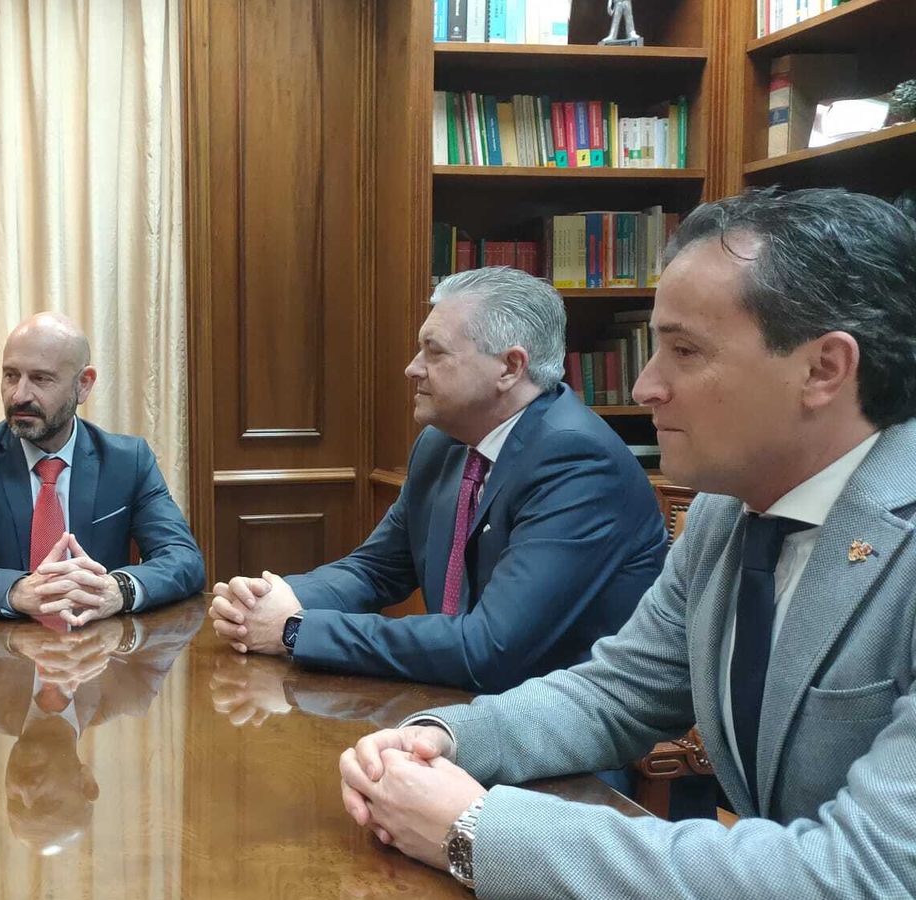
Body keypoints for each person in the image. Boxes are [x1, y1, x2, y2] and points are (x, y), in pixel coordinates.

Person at [337, 188, 916, 897]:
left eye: (684, 351)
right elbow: (617, 694)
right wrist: (440, 737)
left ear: (824, 369)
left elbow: (868, 873)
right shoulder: (723, 515)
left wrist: (474, 830)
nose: (645, 386)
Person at [208, 267, 666, 693]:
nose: (412, 367)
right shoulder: (443, 443)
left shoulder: (577, 462)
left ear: (509, 367)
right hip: (453, 704)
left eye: (435, 351)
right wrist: (276, 598)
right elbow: (377, 567)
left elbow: (490, 647)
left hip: (554, 738)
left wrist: (295, 630)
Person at [0, 312, 205, 623]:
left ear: (83, 385)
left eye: (40, 379)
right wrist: (16, 590)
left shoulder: (127, 461)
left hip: (99, 651)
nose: (19, 395)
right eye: (11, 376)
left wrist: (119, 590)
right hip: (1, 653)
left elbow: (184, 559)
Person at [0, 601, 201, 853]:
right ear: (86, 782)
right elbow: (179, 628)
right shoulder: (130, 692)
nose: (23, 789)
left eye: (15, 803)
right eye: (45, 804)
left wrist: (12, 638)